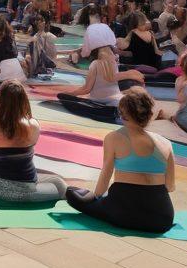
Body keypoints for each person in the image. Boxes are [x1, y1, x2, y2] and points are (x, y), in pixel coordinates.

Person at [65, 88, 176, 234]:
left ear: (123, 114)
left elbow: (104, 180)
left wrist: (96, 199)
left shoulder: (113, 138)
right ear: (148, 115)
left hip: (123, 213)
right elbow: (170, 186)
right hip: (161, 219)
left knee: (72, 194)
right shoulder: (166, 143)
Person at [0, 81, 67, 202]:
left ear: (0, 100)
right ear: (24, 100)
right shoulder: (33, 124)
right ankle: (25, 195)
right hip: (28, 188)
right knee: (59, 182)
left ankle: (8, 194)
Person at [56, 34, 144, 122]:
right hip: (116, 100)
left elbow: (86, 89)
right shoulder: (113, 62)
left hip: (100, 101)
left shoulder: (96, 64)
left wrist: (70, 94)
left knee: (62, 97)